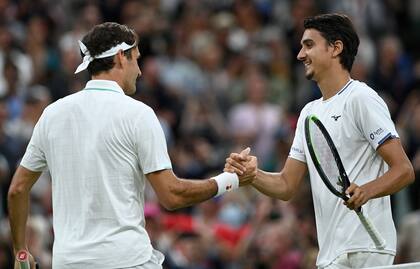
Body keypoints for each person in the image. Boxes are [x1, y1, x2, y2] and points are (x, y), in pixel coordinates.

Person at [8, 22, 257, 269]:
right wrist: (231, 179)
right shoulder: (139, 114)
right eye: (136, 59)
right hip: (126, 261)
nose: (139, 71)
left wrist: (20, 250)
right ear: (120, 57)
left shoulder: (52, 114)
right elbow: (172, 195)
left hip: (68, 262)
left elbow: (18, 189)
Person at [225, 13, 415, 269]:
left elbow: (404, 170)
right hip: (329, 254)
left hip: (368, 247)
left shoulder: (361, 98)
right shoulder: (308, 113)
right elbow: (286, 185)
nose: (300, 55)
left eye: (309, 45)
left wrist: (366, 191)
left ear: (336, 48)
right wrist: (252, 175)